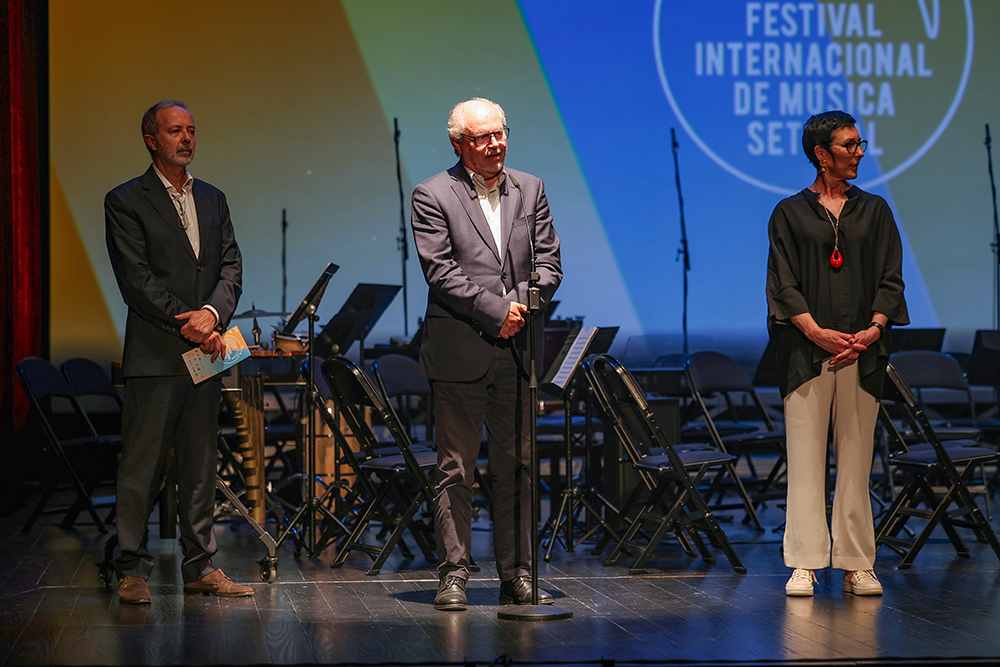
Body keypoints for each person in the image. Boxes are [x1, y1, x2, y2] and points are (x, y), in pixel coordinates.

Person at [411, 98, 562, 611]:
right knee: (455, 468)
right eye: (482, 137)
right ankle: (453, 574)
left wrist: (526, 299)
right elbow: (441, 271)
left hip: (519, 352)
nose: (496, 144)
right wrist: (498, 309)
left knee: (516, 465)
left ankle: (516, 572)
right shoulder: (432, 194)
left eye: (500, 133)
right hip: (461, 348)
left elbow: (549, 261)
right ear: (459, 144)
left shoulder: (530, 188)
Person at [105, 100, 251, 603]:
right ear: (152, 139)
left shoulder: (213, 198)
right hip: (155, 354)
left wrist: (212, 316)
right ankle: (130, 567)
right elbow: (137, 281)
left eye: (191, 130)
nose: (186, 139)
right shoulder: (125, 200)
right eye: (175, 131)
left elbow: (231, 267)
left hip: (206, 354)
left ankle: (201, 565)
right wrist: (189, 322)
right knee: (141, 467)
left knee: (200, 464)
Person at [766, 110, 909, 597]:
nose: (860, 153)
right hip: (807, 352)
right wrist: (815, 331)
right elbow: (782, 283)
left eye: (860, 144)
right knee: (804, 461)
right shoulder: (789, 211)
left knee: (856, 458)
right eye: (849, 146)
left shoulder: (877, 210)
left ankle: (857, 562)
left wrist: (872, 330)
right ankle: (804, 562)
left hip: (861, 352)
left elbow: (891, 279)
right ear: (821, 154)